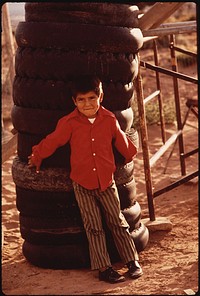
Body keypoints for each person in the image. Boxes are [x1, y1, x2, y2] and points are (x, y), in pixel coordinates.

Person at [28, 75, 143, 283]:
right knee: (94, 226)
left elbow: (120, 139)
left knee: (117, 221)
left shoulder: (109, 119)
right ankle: (104, 268)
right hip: (82, 183)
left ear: (101, 97)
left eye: (91, 98)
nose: (87, 104)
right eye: (81, 100)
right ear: (74, 102)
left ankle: (132, 260)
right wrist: (37, 156)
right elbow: (52, 141)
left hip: (107, 182)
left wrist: (129, 154)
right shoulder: (69, 123)